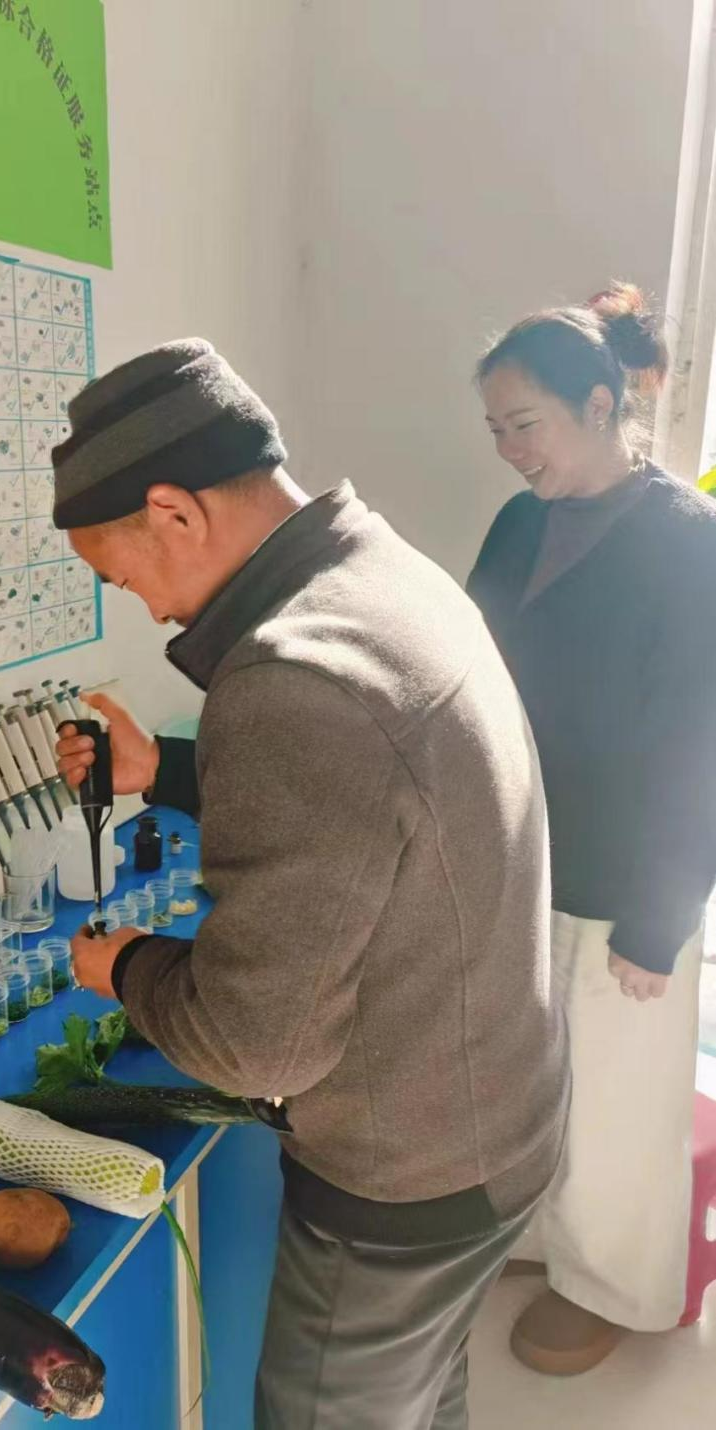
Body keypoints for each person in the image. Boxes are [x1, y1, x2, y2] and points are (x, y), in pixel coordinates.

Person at [51, 337, 569, 1429]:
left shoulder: (288, 674)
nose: (146, 608)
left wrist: (126, 966)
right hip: (498, 1104)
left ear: (173, 511)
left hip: (408, 1166)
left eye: (123, 575)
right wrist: (164, 770)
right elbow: (375, 782)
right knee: (420, 1395)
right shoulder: (379, 573)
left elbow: (258, 1047)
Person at [467, 283, 716, 1376]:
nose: (509, 451)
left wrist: (659, 920)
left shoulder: (686, 541)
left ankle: (610, 1284)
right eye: (494, 430)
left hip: (627, 879)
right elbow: (472, 661)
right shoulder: (519, 523)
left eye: (524, 423)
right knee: (532, 1080)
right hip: (523, 856)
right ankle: (539, 1243)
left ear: (600, 404)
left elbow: (701, 740)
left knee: (616, 1103)